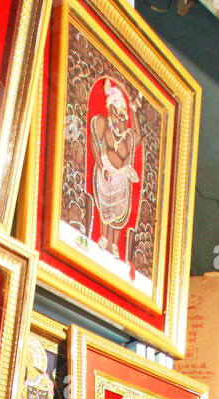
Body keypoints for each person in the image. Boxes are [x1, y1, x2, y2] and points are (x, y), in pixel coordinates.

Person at [89, 79, 142, 262]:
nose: (121, 119)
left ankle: (114, 244)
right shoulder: (102, 124)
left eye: (124, 116)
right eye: (118, 114)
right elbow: (95, 145)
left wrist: (133, 111)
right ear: (111, 111)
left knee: (119, 213)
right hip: (106, 172)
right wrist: (102, 166)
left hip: (121, 178)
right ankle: (103, 237)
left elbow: (138, 136)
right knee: (105, 208)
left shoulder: (127, 137)